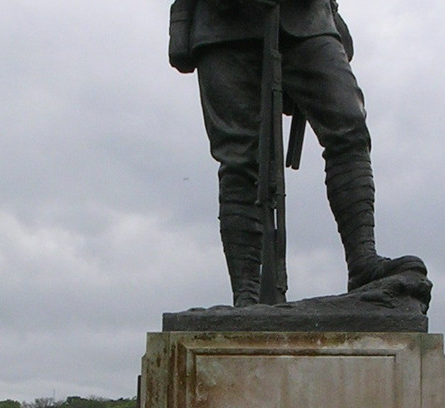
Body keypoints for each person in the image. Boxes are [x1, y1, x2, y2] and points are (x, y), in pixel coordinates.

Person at [170, 0, 425, 307]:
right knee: (239, 160)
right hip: (222, 22)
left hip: (308, 19)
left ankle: (362, 261)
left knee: (348, 126)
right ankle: (246, 295)